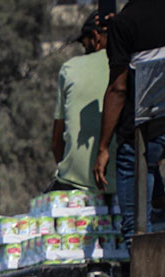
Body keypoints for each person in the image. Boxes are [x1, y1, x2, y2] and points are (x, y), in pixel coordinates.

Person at [93, 0, 165, 242]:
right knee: (149, 159)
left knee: (134, 230)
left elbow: (118, 89)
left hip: (146, 131)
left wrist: (103, 147)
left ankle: (147, 252)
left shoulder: (124, 24)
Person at [51, 12, 115, 193]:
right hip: (126, 182)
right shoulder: (133, 65)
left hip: (76, 183)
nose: (84, 49)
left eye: (84, 43)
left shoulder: (70, 68)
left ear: (95, 37)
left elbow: (56, 142)